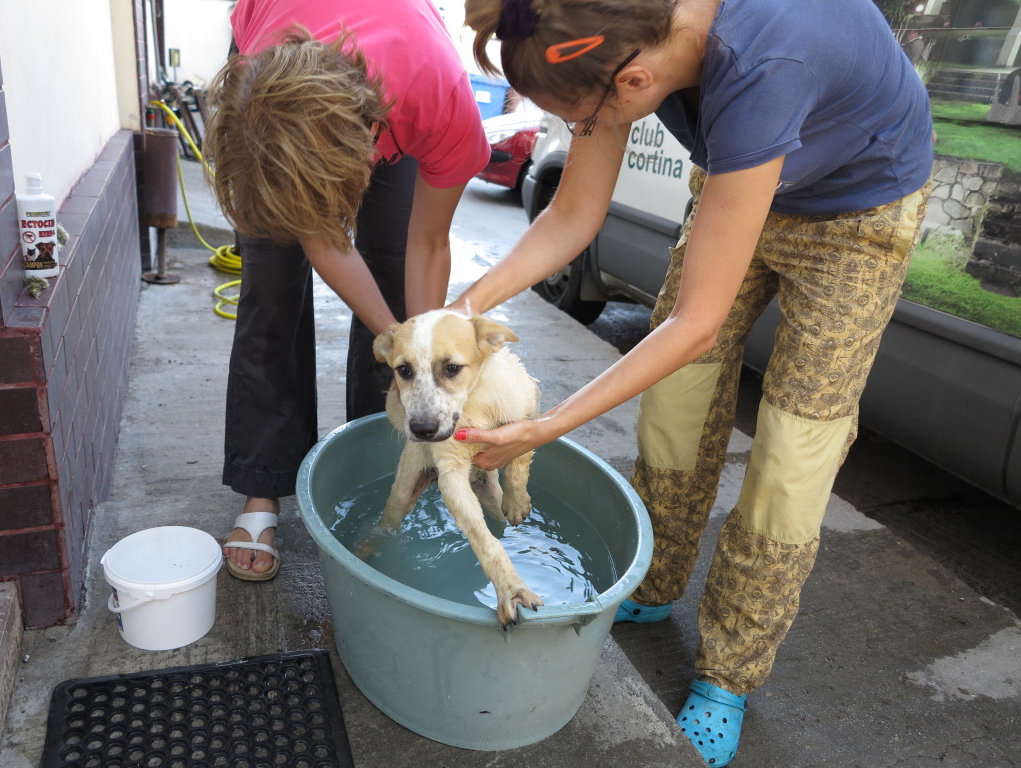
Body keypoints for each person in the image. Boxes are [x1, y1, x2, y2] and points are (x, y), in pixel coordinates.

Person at [449, 0, 933, 764]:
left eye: (581, 120)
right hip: (746, 176)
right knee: (676, 405)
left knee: (793, 452)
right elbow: (574, 214)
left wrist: (546, 426)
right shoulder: (623, 32)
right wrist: (460, 311)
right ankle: (656, 581)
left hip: (856, 215)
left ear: (636, 80)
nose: (581, 131)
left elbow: (696, 322)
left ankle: (728, 673)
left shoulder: (768, 62)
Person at [202, 0, 490, 581]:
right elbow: (321, 236)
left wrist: (418, 364)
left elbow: (426, 243)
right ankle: (263, 489)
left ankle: (389, 470)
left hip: (396, 79)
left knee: (391, 260)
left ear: (368, 151)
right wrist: (390, 335)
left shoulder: (437, 91)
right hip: (276, 73)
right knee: (271, 284)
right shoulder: (266, 95)